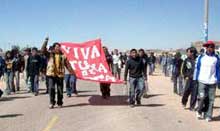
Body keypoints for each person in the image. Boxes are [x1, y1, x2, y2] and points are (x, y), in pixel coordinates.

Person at [41, 37, 75, 109]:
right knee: (51, 89)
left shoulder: (63, 56)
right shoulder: (50, 54)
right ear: (53, 48)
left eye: (59, 47)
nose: (58, 48)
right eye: (56, 47)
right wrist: (46, 41)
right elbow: (42, 50)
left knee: (60, 90)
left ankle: (60, 103)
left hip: (60, 75)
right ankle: (52, 102)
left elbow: (68, 65)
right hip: (51, 75)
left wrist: (73, 73)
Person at [194, 41, 220, 122]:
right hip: (202, 80)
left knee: (211, 99)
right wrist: (196, 79)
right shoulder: (201, 57)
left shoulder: (216, 58)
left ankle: (208, 115)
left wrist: (218, 80)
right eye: (208, 47)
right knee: (202, 97)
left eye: (211, 47)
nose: (209, 48)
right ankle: (199, 110)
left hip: (212, 81)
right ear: (206, 48)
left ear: (213, 48)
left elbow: (218, 70)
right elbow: (197, 69)